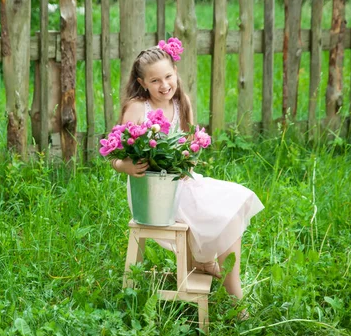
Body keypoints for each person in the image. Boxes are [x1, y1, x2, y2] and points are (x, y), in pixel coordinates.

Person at [110, 38, 264, 302]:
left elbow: (192, 149)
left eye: (168, 76)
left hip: (185, 181)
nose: (165, 85)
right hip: (152, 193)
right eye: (155, 80)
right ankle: (232, 294)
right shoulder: (137, 108)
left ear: (176, 73)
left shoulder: (182, 104)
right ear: (142, 83)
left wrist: (188, 158)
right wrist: (126, 165)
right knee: (222, 213)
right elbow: (116, 155)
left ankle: (219, 275)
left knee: (234, 201)